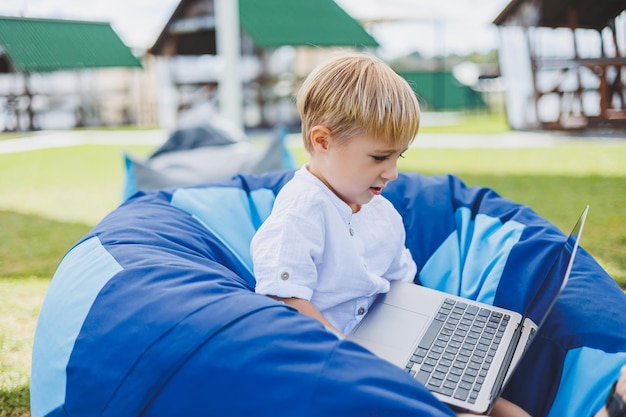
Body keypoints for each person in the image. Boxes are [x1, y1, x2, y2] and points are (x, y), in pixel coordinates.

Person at [250, 52, 626, 417]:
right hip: (339, 364)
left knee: (487, 397)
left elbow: (403, 284)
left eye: (400, 157)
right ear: (322, 141)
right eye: (380, 158)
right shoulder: (300, 211)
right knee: (466, 409)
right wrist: (357, 360)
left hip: (388, 347)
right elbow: (286, 301)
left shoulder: (382, 213)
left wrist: (452, 327)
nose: (393, 173)